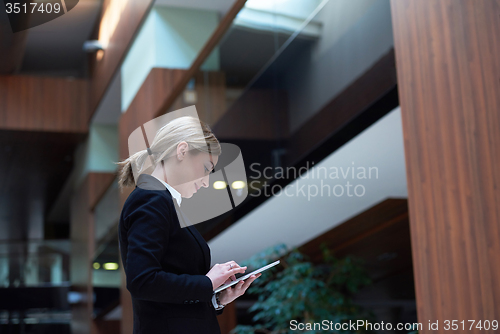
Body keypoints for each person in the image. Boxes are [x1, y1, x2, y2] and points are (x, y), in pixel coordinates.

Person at [116, 116, 260, 333]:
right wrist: (207, 283)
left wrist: (216, 298)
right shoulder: (151, 199)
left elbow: (168, 297)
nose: (206, 181)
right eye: (205, 167)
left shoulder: (162, 202)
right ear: (182, 151)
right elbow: (142, 281)